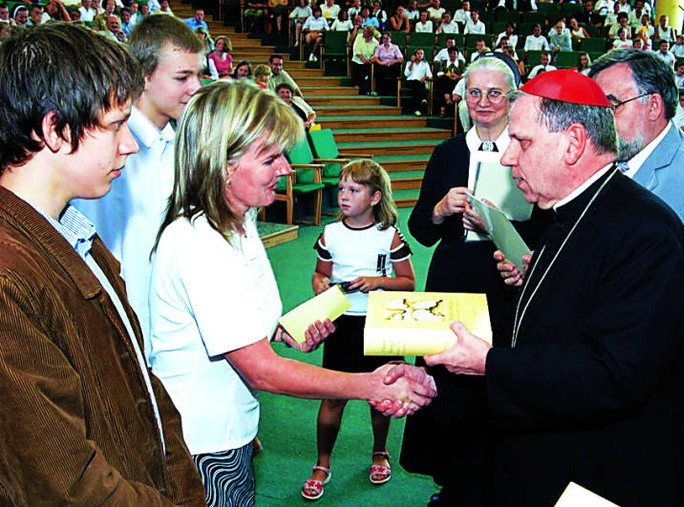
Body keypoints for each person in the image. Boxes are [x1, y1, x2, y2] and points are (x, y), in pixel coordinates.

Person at [388, 68, 684, 506]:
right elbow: (546, 335)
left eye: (522, 141)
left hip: (622, 468)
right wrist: (447, 386)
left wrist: (487, 364)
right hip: (564, 446)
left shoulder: (648, 232)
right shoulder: (562, 212)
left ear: (572, 143)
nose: (508, 157)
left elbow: (610, 374)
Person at [148, 81, 436, 506]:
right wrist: (371, 385)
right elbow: (262, 371)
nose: (286, 169)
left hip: (234, 428)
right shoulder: (197, 242)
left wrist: (285, 330)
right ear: (224, 164)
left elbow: (238, 322)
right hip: (204, 439)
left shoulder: (239, 223)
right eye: (270, 158)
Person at [0, 22, 206, 504]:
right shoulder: (9, 278)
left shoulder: (79, 238)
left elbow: (145, 395)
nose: (130, 145)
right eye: (115, 126)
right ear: (54, 130)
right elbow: (65, 485)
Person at [401, 56, 519, 506]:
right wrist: (439, 209)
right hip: (451, 278)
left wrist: (501, 226)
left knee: (497, 377)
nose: (483, 102)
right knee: (447, 379)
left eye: (494, 93)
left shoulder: (523, 149)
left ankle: (496, 479)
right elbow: (421, 230)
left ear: (511, 99)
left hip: (504, 281)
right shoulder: (448, 153)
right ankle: (451, 483)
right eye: (475, 93)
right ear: (463, 98)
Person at [588, 49, 684, 349]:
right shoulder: (601, 156)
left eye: (611, 106)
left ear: (653, 105)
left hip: (646, 360)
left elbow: (683, 298)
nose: (598, 122)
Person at [74, 15, 204, 348]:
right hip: (118, 327)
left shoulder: (179, 146)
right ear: (144, 77)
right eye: (182, 77)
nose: (196, 88)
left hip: (171, 327)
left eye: (198, 75)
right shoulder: (107, 149)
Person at [302, 160, 416, 501]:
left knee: (380, 395)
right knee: (333, 395)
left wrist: (378, 281)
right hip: (341, 322)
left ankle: (380, 450)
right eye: (341, 189)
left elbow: (408, 282)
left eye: (354, 190)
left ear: (375, 197)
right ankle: (323, 462)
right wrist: (320, 284)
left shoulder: (389, 235)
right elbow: (319, 273)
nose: (344, 196)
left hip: (381, 321)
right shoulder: (330, 233)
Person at [371, 32, 403, 96]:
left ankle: (393, 92)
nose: (385, 40)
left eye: (387, 38)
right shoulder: (379, 47)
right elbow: (375, 58)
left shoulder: (395, 47)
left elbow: (401, 58)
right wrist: (381, 63)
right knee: (378, 68)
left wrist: (394, 61)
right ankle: (380, 91)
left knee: (396, 68)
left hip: (392, 64)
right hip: (382, 64)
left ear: (390, 39)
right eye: (384, 38)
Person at [350, 24, 378, 95]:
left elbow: (375, 54)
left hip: (368, 63)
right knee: (357, 70)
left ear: (369, 33)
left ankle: (366, 91)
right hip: (357, 60)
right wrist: (363, 58)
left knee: (367, 74)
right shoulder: (359, 37)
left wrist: (370, 59)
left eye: (365, 31)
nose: (363, 31)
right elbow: (356, 48)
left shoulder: (376, 43)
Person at [405, 47, 433, 116]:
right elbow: (406, 74)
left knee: (418, 87)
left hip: (420, 82)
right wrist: (412, 63)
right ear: (414, 55)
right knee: (416, 83)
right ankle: (423, 99)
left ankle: (416, 109)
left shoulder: (425, 64)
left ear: (423, 55)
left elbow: (430, 75)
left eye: (421, 53)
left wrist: (425, 77)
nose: (420, 55)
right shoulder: (409, 63)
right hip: (410, 81)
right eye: (418, 53)